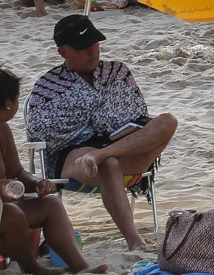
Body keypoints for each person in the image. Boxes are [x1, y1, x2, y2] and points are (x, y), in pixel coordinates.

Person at [22, 16, 178, 252]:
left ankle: (103, 154)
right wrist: (89, 108)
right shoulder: (48, 85)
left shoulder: (117, 72)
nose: (93, 52)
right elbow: (41, 133)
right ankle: (135, 240)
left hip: (124, 147)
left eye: (95, 44)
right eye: (84, 48)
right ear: (63, 52)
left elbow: (137, 112)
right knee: (109, 164)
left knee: (168, 121)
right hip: (74, 155)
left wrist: (109, 128)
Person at [2, 65, 104, 273]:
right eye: (17, 99)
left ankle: (81, 268)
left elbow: (16, 172)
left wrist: (37, 182)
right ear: (7, 103)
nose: (18, 104)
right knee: (12, 213)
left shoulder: (2, 130)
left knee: (51, 204)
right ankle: (33, 268)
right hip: (6, 213)